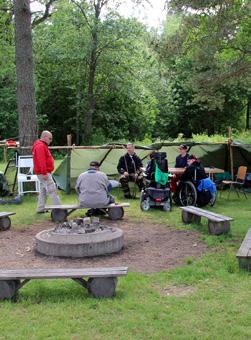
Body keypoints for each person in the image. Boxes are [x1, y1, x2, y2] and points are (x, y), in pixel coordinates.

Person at [32, 130, 61, 213]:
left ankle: (40, 208)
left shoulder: (40, 145)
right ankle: (59, 209)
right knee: (52, 190)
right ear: (44, 137)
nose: (51, 141)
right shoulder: (40, 146)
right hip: (43, 173)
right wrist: (44, 172)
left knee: (43, 191)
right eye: (50, 138)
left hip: (42, 172)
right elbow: (41, 160)